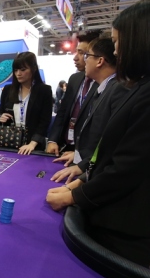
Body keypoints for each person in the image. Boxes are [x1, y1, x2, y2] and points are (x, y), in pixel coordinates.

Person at [46, 0, 150, 267]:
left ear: (145, 39)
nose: (117, 51)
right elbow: (115, 150)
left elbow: (128, 166)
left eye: (119, 42)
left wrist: (75, 195)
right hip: (113, 215)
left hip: (125, 225)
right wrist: (83, 180)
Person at [50, 35, 127, 183]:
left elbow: (109, 141)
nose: (84, 60)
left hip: (98, 177)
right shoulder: (105, 88)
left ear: (100, 61)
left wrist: (83, 169)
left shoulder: (117, 89)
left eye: (87, 55)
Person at [46, 31, 101, 156]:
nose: (75, 57)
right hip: (63, 147)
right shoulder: (74, 79)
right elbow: (62, 112)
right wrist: (52, 140)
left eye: (82, 53)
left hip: (84, 153)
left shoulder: (105, 84)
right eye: (77, 52)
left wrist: (80, 154)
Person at [0, 51, 53, 155]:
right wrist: (1, 117)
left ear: (33, 69)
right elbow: (1, 113)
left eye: (23, 70)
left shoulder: (44, 91)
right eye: (16, 70)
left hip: (33, 146)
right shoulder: (8, 90)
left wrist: (32, 144)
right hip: (10, 142)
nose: (18, 73)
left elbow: (44, 122)